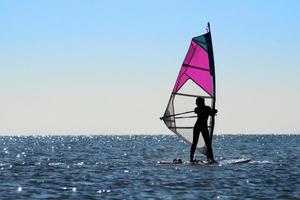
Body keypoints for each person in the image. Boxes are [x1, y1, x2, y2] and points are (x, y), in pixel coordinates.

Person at [190, 97, 217, 163]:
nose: (196, 103)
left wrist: (214, 111)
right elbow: (197, 111)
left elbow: (211, 114)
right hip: (197, 127)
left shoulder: (207, 108)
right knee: (194, 143)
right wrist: (211, 111)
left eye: (197, 102)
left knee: (208, 144)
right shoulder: (197, 109)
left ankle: (211, 158)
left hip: (204, 127)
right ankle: (191, 158)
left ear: (201, 102)